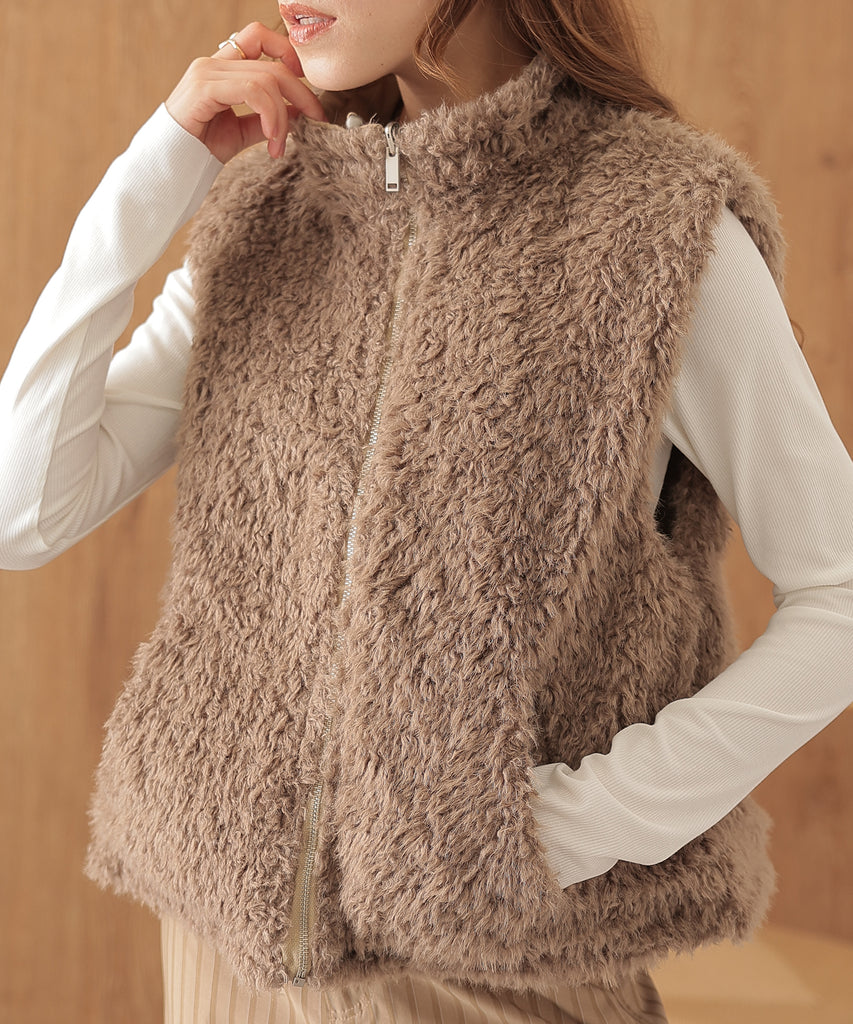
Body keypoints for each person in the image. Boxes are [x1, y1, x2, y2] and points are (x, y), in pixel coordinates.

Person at [1, 1, 852, 1022]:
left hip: (492, 960)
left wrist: (562, 829)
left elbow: (839, 596)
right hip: (228, 949)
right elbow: (21, 512)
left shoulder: (657, 224)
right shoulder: (273, 201)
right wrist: (154, 174)